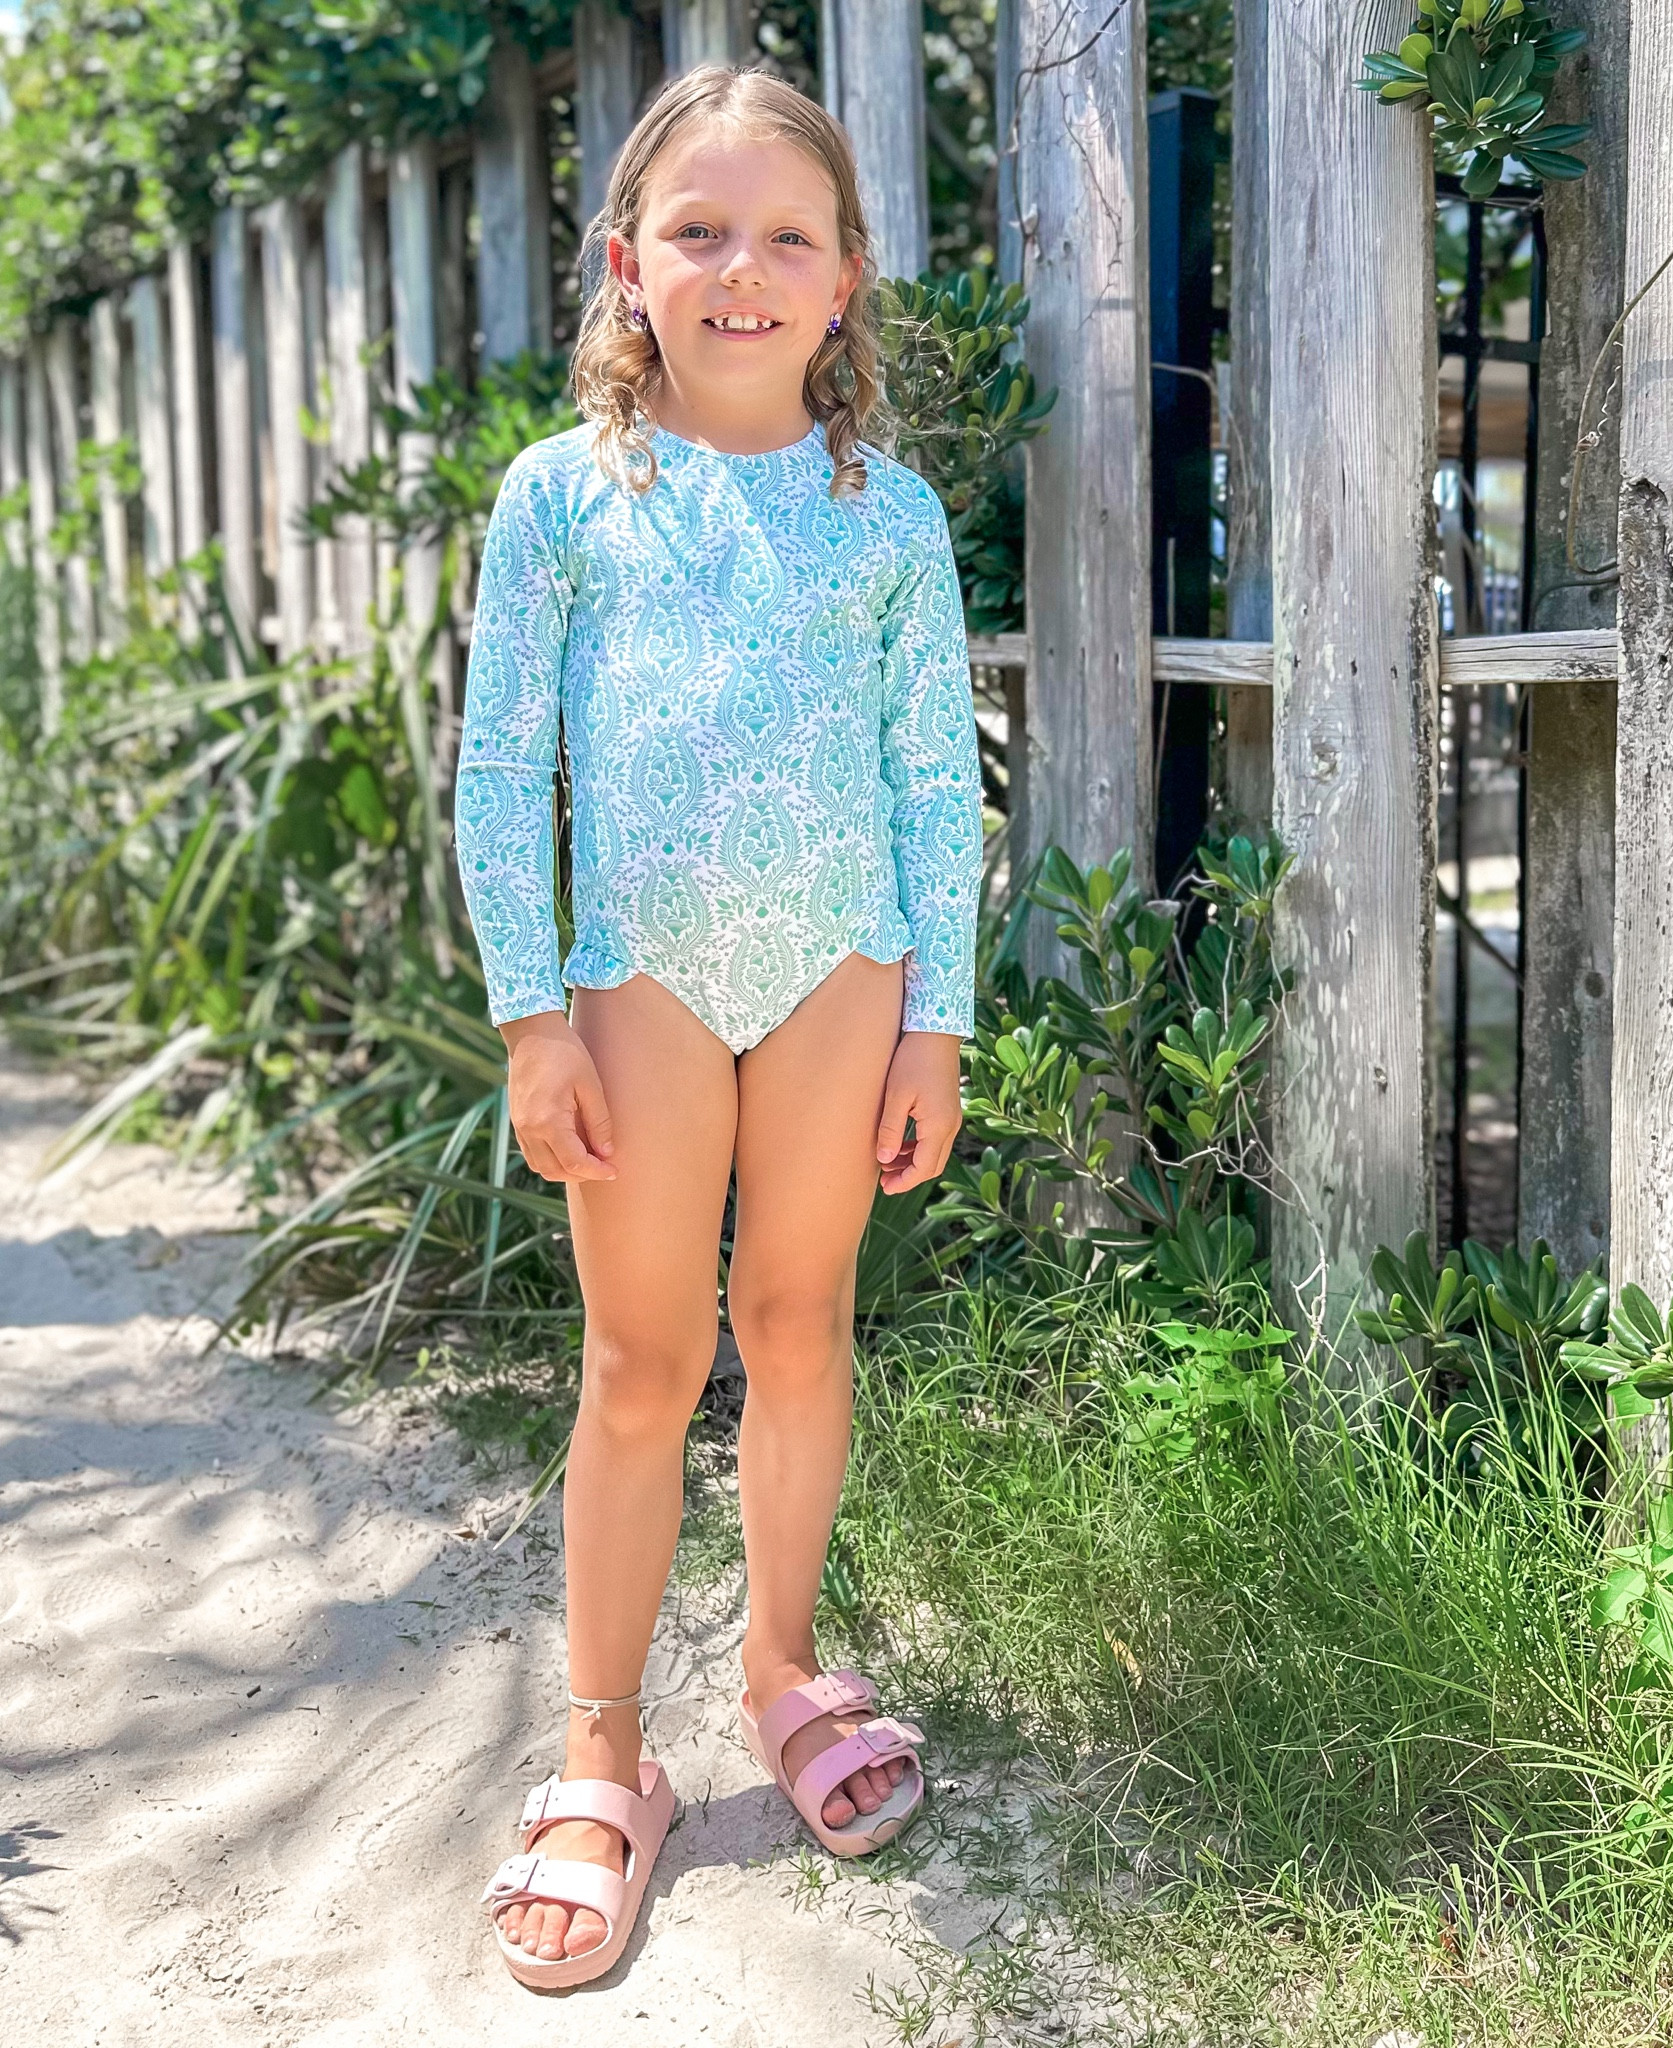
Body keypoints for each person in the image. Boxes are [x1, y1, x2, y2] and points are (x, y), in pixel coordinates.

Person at [458, 64, 981, 1990]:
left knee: (799, 1321)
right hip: (641, 984)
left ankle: (779, 1663)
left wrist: (937, 1023)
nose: (740, 269)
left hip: (841, 968)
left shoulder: (890, 518)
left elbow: (934, 784)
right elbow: (500, 768)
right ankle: (606, 1749)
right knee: (639, 1359)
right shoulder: (563, 499)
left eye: (785, 236)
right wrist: (535, 1019)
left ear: (845, 278)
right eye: (699, 230)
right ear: (628, 263)